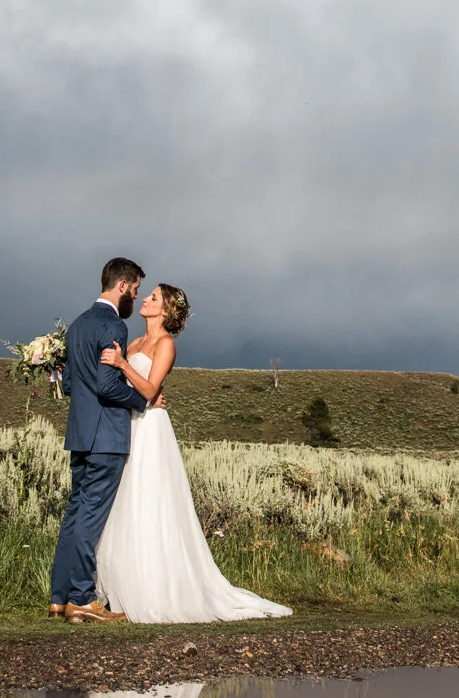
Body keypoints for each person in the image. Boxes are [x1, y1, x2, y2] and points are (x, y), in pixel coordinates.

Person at [93, 283, 292, 623]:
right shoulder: (134, 342)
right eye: (148, 295)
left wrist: (124, 365)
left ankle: (154, 588)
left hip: (150, 428)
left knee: (148, 499)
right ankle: (120, 587)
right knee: (123, 500)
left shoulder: (165, 344)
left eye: (153, 297)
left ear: (166, 310)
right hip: (127, 425)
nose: (145, 300)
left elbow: (150, 390)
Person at [47, 257, 163, 624]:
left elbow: (68, 384)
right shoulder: (114, 325)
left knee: (74, 514)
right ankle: (83, 598)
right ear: (123, 285)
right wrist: (143, 402)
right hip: (107, 437)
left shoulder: (77, 325)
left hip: (80, 434)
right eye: (136, 289)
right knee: (90, 517)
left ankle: (58, 598)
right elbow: (108, 386)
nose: (136, 296)